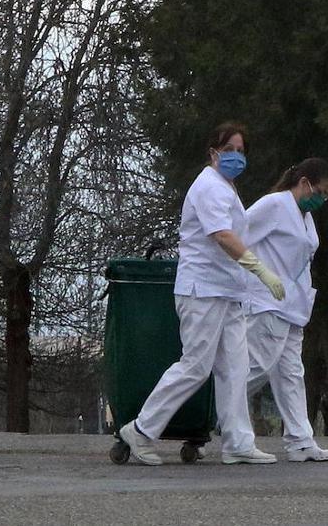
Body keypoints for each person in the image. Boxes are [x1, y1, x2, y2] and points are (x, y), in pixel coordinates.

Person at [118, 122, 286, 465]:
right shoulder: (209, 186)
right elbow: (222, 235)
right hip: (203, 291)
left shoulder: (226, 188)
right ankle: (140, 430)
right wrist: (260, 269)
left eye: (241, 151)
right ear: (213, 153)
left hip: (227, 291)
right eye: (230, 150)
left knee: (236, 368)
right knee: (195, 366)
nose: (237, 157)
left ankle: (238, 442)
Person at [242, 158, 328, 462]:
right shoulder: (274, 205)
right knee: (253, 368)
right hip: (267, 302)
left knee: (291, 374)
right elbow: (235, 237)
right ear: (304, 182)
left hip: (294, 306)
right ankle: (204, 413)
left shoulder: (304, 215)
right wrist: (257, 275)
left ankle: (301, 441)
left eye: (327, 195)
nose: (322, 199)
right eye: (320, 191)